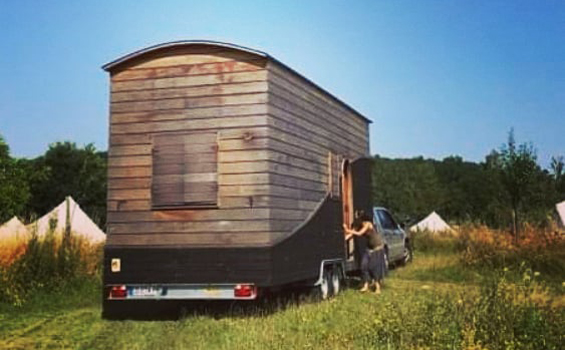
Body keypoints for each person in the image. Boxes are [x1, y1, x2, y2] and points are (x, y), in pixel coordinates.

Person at [343, 211, 386, 294]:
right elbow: (351, 234)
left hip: (377, 248)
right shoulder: (358, 226)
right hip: (369, 248)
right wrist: (344, 238)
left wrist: (347, 229)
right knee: (364, 266)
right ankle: (365, 285)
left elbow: (359, 233)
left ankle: (378, 288)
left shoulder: (368, 224)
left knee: (373, 267)